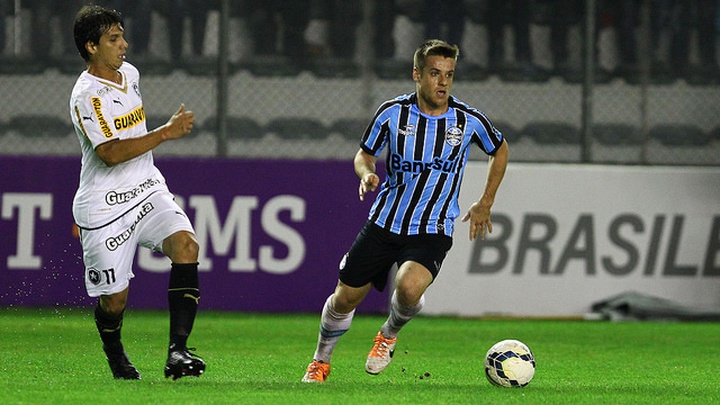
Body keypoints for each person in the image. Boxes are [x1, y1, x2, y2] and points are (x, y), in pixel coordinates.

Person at [301, 38, 509, 383]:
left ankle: (388, 334)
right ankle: (321, 360)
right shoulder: (392, 113)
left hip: (433, 225)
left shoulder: (467, 120)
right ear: (417, 75)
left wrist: (486, 201)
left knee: (410, 287)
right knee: (344, 300)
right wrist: (367, 173)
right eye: (434, 73)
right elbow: (364, 153)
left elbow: (499, 149)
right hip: (385, 221)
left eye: (449, 75)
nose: (442, 82)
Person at [69, 5, 205, 380]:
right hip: (104, 205)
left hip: (146, 188)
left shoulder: (129, 74)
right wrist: (165, 133)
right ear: (91, 46)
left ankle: (177, 352)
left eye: (122, 36)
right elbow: (109, 154)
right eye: (114, 39)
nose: (125, 45)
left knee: (187, 246)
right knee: (114, 302)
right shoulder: (86, 96)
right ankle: (114, 351)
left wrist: (160, 136)